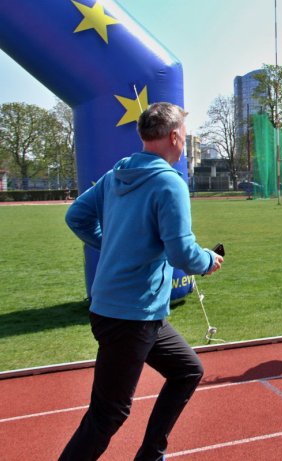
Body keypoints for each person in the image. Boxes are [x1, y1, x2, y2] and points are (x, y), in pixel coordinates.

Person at [60, 102, 224, 461]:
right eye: (184, 133)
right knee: (108, 414)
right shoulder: (169, 182)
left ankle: (151, 454)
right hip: (130, 315)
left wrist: (114, 245)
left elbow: (77, 217)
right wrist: (209, 260)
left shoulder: (116, 174)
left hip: (132, 311)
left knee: (186, 370)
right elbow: (182, 253)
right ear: (175, 136)